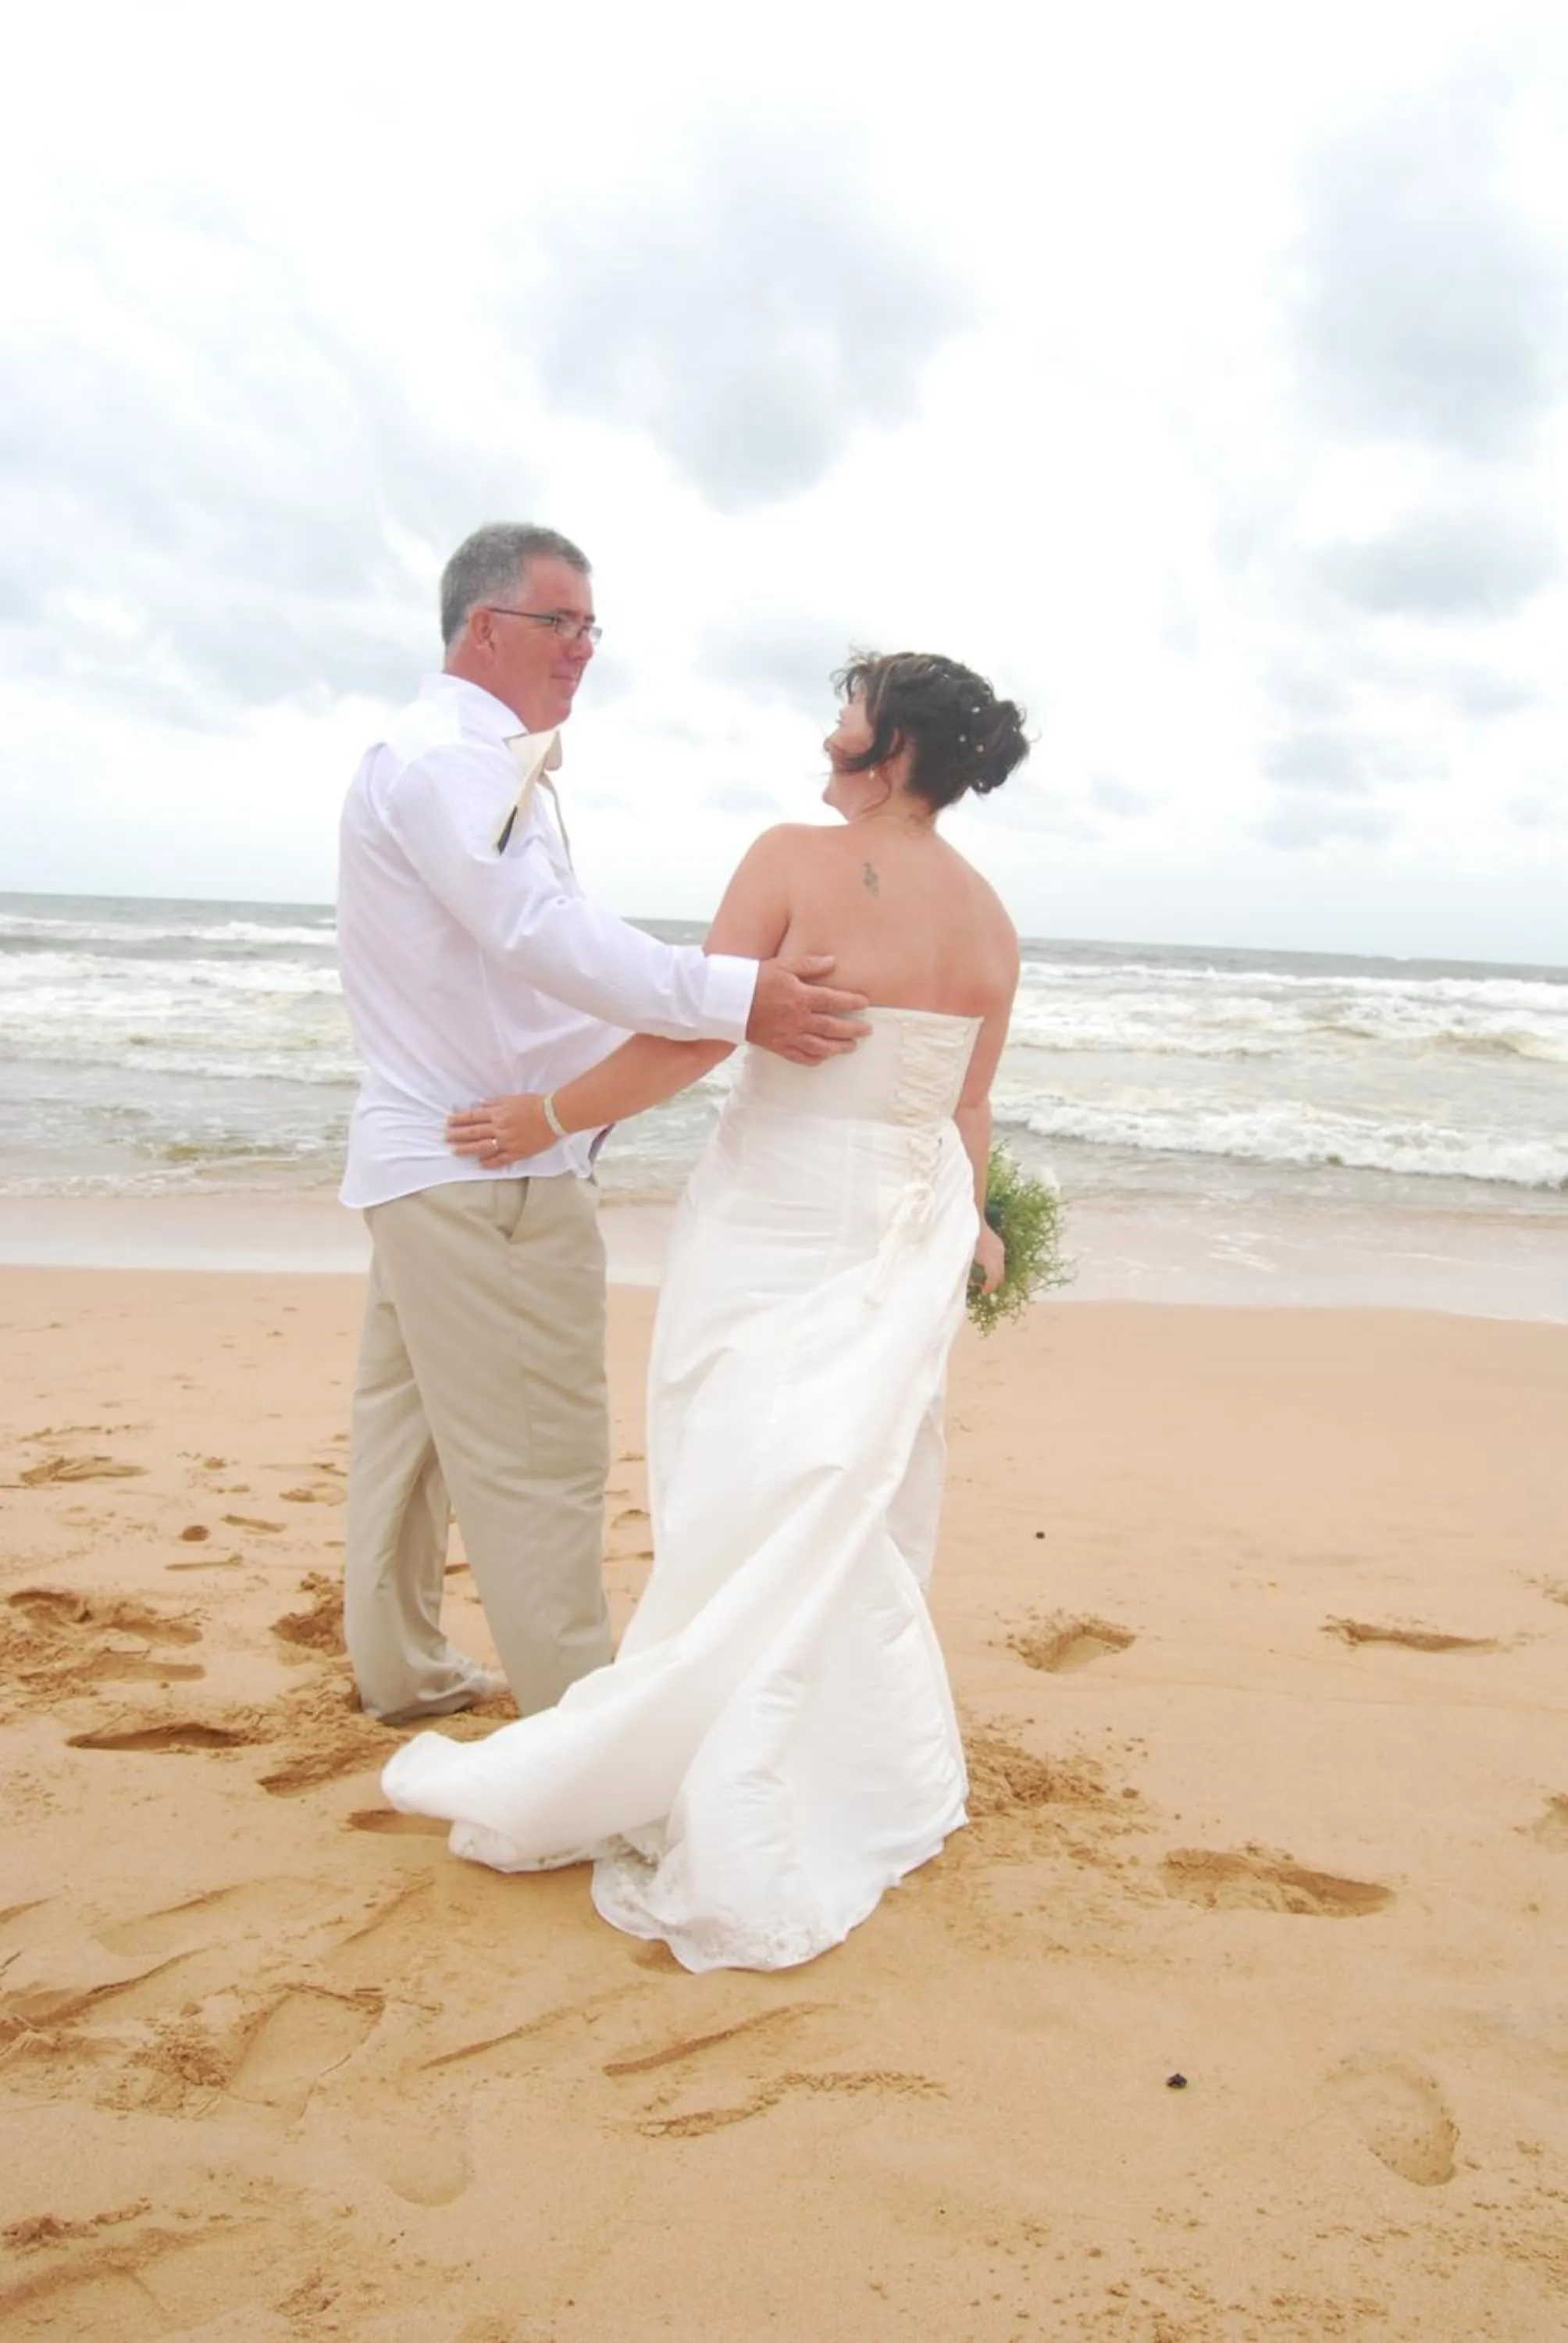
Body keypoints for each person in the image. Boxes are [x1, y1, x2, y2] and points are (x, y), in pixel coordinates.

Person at [380, 649, 1028, 1972]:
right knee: (845, 1488)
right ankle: (851, 1765)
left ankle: (723, 1763)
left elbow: (698, 1032)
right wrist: (980, 1225)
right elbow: (965, 1111)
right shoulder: (992, 921)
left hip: (780, 1217)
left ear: (891, 746)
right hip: (909, 1225)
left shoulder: (792, 857)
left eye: (846, 714)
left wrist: (544, 1115)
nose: (827, 731)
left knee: (741, 1470)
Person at [337, 523, 868, 1727]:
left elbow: (517, 960)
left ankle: (403, 1672)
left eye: (591, 627)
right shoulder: (451, 765)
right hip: (482, 1173)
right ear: (486, 628)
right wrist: (737, 998)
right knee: (541, 1463)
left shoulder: (442, 756)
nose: (584, 648)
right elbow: (545, 937)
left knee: (408, 1446)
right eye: (559, 623)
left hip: (426, 1159)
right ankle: (581, 1735)